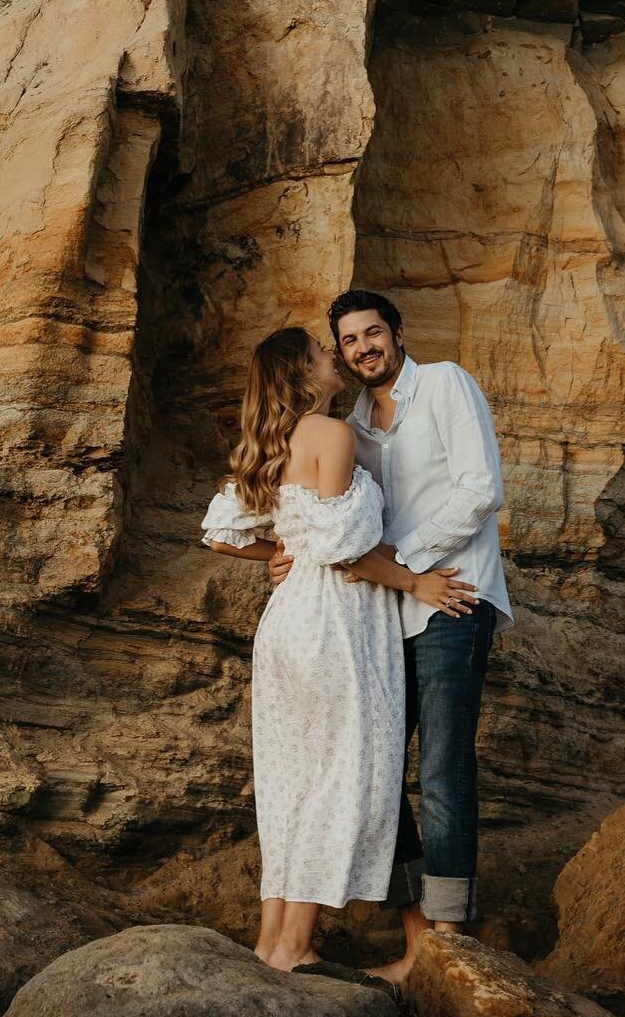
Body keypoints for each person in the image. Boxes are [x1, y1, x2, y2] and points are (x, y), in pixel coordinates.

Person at [199, 326, 478, 974]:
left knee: (292, 783)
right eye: (324, 354)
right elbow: (347, 548)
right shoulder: (331, 435)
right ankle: (295, 947)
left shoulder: (268, 444)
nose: (335, 357)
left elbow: (218, 533)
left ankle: (272, 943)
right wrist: (415, 581)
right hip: (335, 626)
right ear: (303, 372)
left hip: (288, 626)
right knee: (342, 781)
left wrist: (276, 555)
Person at [269, 291, 513, 984]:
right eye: (348, 341)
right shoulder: (349, 424)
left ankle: (448, 941)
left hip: (453, 600)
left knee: (440, 768)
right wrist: (287, 554)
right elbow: (333, 519)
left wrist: (406, 563)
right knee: (375, 774)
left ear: (398, 333)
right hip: (380, 618)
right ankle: (416, 945)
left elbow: (478, 490)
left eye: (372, 333)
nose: (363, 348)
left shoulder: (445, 385)